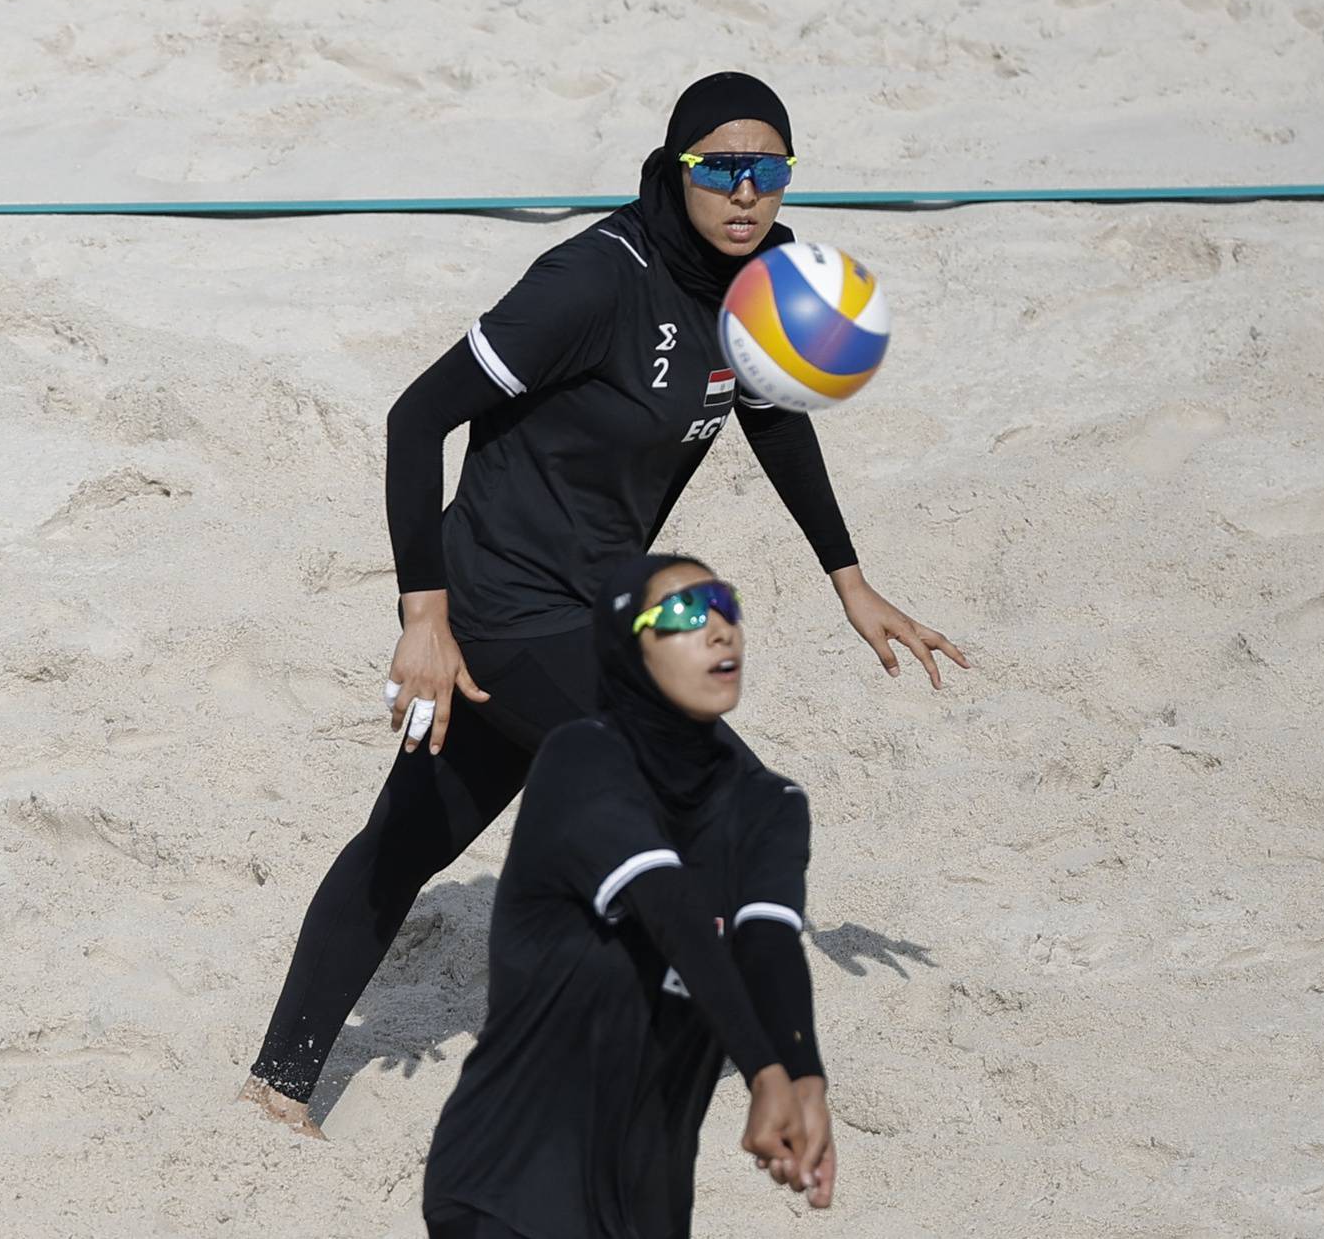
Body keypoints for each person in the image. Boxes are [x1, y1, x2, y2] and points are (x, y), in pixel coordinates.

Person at [241, 71, 964, 1134]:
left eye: (769, 169)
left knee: (411, 836)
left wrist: (847, 578)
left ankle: (279, 1078)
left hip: (589, 606)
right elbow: (414, 419)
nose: (747, 190)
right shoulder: (589, 282)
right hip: (496, 597)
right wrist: (423, 617)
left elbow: (769, 410)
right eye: (721, 167)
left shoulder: (761, 278)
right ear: (675, 170)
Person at [423, 554, 834, 1238]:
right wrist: (765, 1070)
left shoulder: (772, 802)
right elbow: (668, 904)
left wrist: (804, 1076)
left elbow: (767, 943)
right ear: (626, 650)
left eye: (724, 604)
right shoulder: (581, 758)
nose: (718, 629)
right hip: (507, 1181)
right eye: (681, 612)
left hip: (646, 1206)